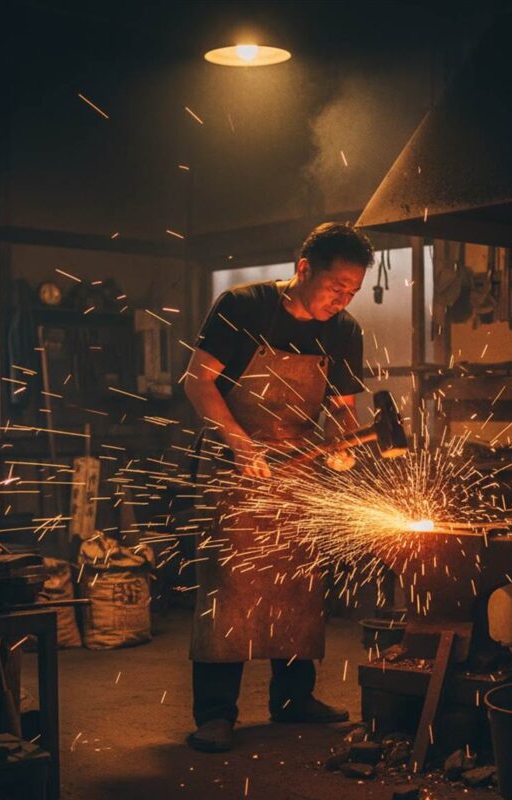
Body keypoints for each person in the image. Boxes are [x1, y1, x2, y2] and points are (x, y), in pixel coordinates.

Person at [183, 222, 374, 752]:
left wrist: (342, 445)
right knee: (230, 589)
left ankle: (293, 701)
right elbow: (197, 381)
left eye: (353, 291)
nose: (343, 299)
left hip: (298, 469)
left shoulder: (344, 331)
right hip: (234, 464)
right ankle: (216, 714)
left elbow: (342, 410)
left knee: (299, 589)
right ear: (304, 268)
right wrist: (241, 444)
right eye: (337, 286)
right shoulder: (243, 308)